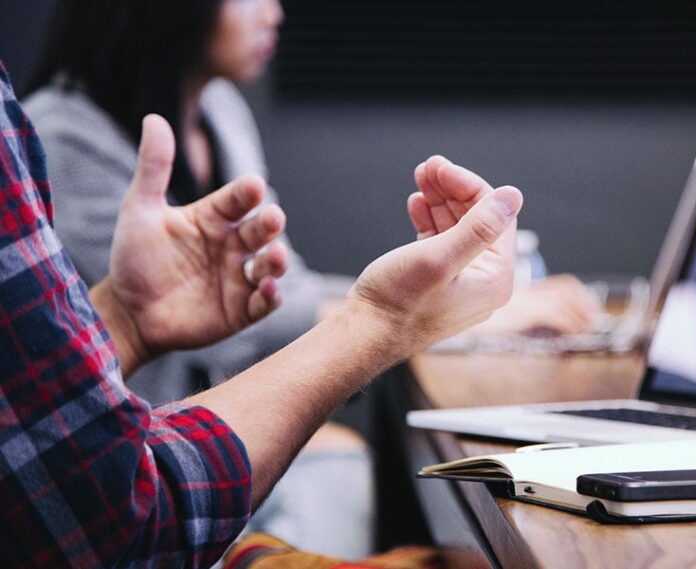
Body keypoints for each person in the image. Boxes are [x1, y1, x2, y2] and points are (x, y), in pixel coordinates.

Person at [24, 0, 595, 556]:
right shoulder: (62, 137)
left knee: (343, 462)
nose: (274, 12)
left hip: (190, 439)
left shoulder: (218, 108)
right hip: (130, 474)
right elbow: (249, 325)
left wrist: (424, 305)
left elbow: (273, 291)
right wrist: (415, 315)